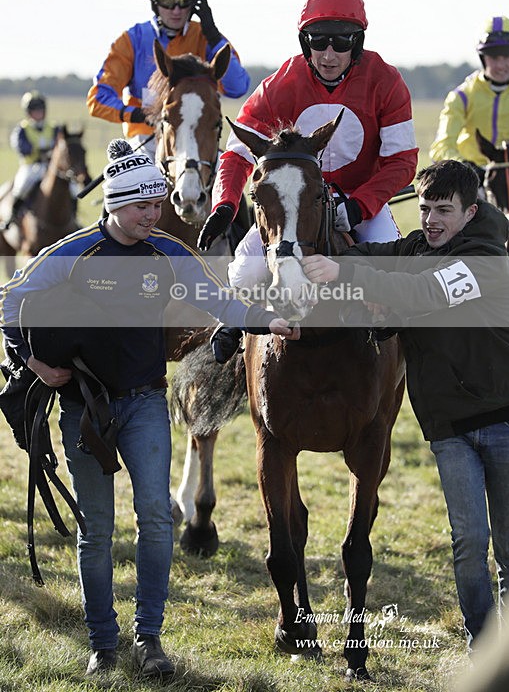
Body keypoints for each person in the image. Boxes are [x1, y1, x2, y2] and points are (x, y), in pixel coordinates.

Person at [0, 140, 296, 679]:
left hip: (144, 404)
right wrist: (35, 365)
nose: (154, 215)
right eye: (143, 207)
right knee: (97, 528)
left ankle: (150, 638)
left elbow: (218, 300)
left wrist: (265, 318)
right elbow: (9, 302)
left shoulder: (167, 252)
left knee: (157, 520)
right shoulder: (73, 253)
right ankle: (103, 644)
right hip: (84, 410)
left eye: (157, 205)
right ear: (114, 204)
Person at [300, 160, 509, 652]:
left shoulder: (487, 259)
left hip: (508, 421)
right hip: (448, 429)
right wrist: (335, 253)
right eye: (424, 208)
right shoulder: (417, 247)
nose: (430, 220)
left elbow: (422, 291)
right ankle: (482, 645)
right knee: (469, 546)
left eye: (443, 211)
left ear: (471, 213)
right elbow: (376, 255)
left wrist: (344, 271)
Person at [197, 0, 419, 287]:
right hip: (292, 203)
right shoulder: (279, 86)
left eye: (341, 43)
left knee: (394, 276)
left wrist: (359, 206)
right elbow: (237, 153)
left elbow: (402, 161)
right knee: (244, 277)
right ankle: (228, 332)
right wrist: (225, 205)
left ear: (357, 43)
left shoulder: (387, 81)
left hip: (359, 202)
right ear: (305, 42)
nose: (328, 55)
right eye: (318, 41)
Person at [87, 0, 250, 159]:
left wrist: (214, 35)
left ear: (195, 4)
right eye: (167, 2)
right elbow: (98, 99)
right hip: (145, 143)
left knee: (227, 186)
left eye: (184, 2)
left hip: (198, 143)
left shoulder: (205, 37)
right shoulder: (131, 40)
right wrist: (138, 115)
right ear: (154, 3)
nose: (176, 10)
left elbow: (238, 87)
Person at [429, 16, 509, 181]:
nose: (500, 65)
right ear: (483, 58)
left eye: (506, 56)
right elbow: (441, 147)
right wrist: (465, 168)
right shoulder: (461, 97)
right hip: (471, 180)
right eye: (493, 57)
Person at [2, 91, 60, 230]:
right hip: (31, 166)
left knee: (71, 187)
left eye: (40, 109)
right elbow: (22, 147)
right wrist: (40, 151)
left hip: (50, 166)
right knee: (22, 186)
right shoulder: (22, 129)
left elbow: (59, 145)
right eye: (35, 110)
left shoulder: (53, 127)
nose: (38, 113)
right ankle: (12, 215)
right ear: (28, 112)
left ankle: (73, 217)